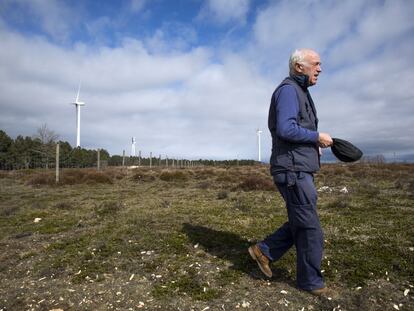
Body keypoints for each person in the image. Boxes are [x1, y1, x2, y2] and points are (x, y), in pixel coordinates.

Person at [248, 48, 333, 296]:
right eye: (315, 64)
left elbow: (294, 130)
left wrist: (312, 146)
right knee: (309, 227)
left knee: (303, 218)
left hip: (298, 168)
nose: (320, 68)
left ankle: (264, 250)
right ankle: (310, 282)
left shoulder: (300, 91)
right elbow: (286, 128)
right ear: (299, 66)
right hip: (292, 170)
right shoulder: (288, 91)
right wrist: (316, 137)